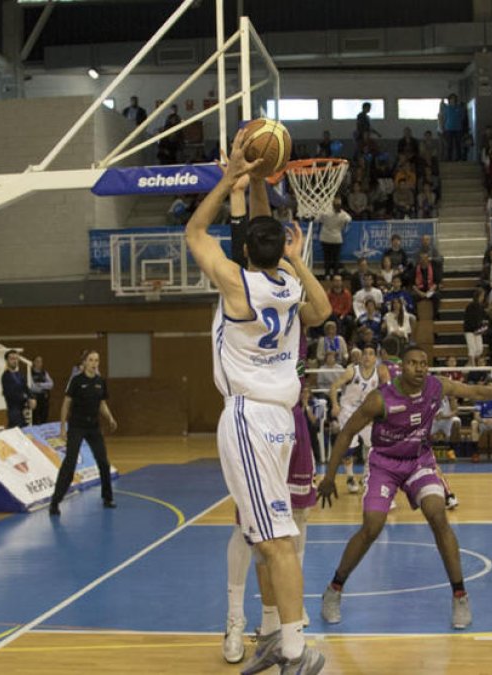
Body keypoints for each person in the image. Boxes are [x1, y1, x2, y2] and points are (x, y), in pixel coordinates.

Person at [184, 127, 330, 674]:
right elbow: (321, 311)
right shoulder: (288, 288)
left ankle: (294, 651)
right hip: (280, 417)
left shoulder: (236, 285)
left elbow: (196, 232)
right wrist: (296, 257)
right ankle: (275, 636)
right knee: (267, 535)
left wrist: (229, 180)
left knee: (275, 541)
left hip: (248, 416)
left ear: (243, 252)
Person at [316, 345, 492, 629]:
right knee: (372, 526)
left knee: (438, 515)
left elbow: (477, 393)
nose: (420, 368)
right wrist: (328, 477)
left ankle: (460, 596)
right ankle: (334, 589)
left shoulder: (436, 387)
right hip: (384, 464)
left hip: (418, 462)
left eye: (424, 363)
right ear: (402, 367)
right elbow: (347, 432)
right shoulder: (380, 399)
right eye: (413, 363)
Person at [225, 334, 317, 664]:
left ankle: (286, 608)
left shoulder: (297, 316)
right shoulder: (244, 312)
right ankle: (234, 620)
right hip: (255, 424)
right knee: (246, 527)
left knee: (298, 517)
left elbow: (319, 309)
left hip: (292, 423)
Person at [51, 350, 118, 514]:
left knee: (103, 461)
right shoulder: (76, 381)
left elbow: (102, 403)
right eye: (91, 360)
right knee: (70, 463)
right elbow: (66, 404)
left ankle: (107, 497)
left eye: (97, 360)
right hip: (77, 427)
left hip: (94, 427)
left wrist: (110, 418)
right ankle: (55, 502)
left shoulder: (101, 381)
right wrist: (62, 427)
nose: (94, 363)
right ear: (85, 363)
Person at [327, 346, 391, 494]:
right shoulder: (352, 371)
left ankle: (366, 476)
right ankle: (350, 477)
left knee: (374, 445)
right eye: (365, 354)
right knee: (349, 446)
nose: (367, 356)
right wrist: (335, 404)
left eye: (371, 354)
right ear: (361, 357)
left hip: (366, 413)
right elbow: (334, 386)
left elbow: (384, 395)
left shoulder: (379, 374)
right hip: (348, 412)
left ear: (375, 358)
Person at [1, 349, 35, 428]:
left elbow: (26, 388)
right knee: (16, 428)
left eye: (16, 359)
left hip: (23, 409)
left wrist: (32, 398)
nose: (14, 361)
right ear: (7, 361)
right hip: (14, 410)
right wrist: (27, 399)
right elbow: (12, 394)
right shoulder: (6, 376)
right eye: (12, 359)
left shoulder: (20, 375)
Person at [29, 356, 54, 425]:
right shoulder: (30, 373)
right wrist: (45, 386)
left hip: (45, 400)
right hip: (36, 400)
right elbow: (32, 387)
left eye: (41, 361)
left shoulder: (45, 373)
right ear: (34, 362)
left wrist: (40, 384)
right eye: (37, 361)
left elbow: (51, 384)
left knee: (44, 419)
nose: (39, 363)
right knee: (35, 420)